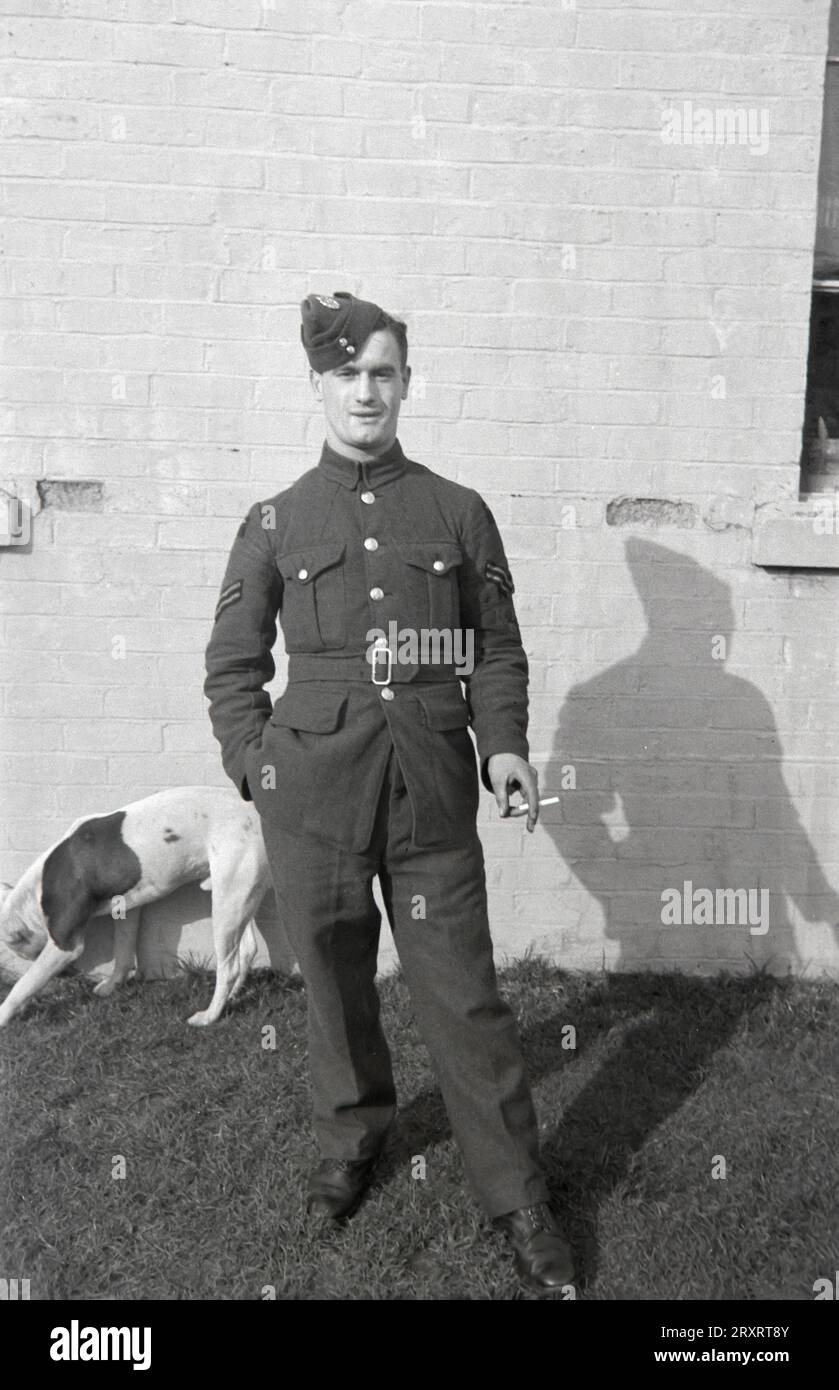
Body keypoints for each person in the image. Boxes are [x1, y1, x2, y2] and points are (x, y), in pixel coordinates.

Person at [204, 291, 574, 1294]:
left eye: (383, 372)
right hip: (312, 794)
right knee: (330, 982)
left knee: (464, 996)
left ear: (406, 382)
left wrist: (502, 746)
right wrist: (258, 769)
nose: (365, 390)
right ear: (317, 385)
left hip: (430, 787)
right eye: (347, 374)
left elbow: (495, 649)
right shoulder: (275, 519)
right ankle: (351, 1137)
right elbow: (231, 666)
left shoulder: (457, 511)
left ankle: (516, 1193)